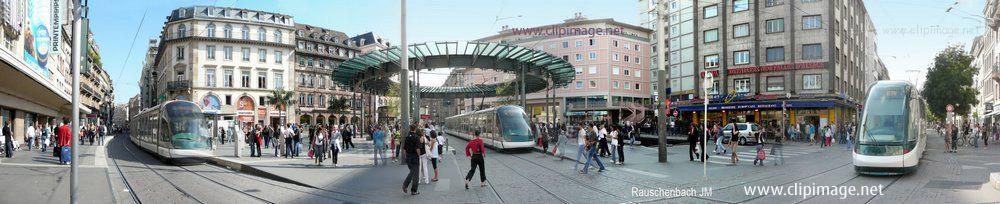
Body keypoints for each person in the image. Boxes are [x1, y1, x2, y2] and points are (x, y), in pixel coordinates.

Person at [403, 125, 423, 195]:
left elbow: (404, 149)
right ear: (415, 129)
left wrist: (406, 157)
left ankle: (409, 187)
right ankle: (411, 189)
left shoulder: (407, 137)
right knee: (415, 175)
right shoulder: (416, 137)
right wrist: (419, 155)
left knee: (412, 172)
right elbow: (417, 149)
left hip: (408, 157)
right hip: (414, 158)